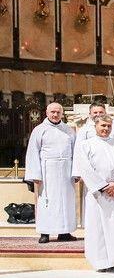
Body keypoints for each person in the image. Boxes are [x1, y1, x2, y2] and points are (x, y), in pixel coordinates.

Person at [74, 115, 114, 272]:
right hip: (98, 195)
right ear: (95, 126)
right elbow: (85, 169)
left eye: (108, 126)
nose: (106, 129)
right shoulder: (86, 145)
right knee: (98, 229)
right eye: (103, 126)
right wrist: (103, 187)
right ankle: (101, 262)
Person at [25, 102, 78, 244]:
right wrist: (35, 175)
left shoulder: (69, 130)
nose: (55, 115)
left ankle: (65, 232)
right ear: (47, 113)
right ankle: (45, 233)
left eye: (58, 112)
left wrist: (76, 171)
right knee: (46, 202)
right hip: (47, 171)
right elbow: (32, 152)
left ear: (62, 114)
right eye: (52, 112)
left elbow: (76, 152)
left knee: (66, 201)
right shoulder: (39, 130)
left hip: (66, 170)